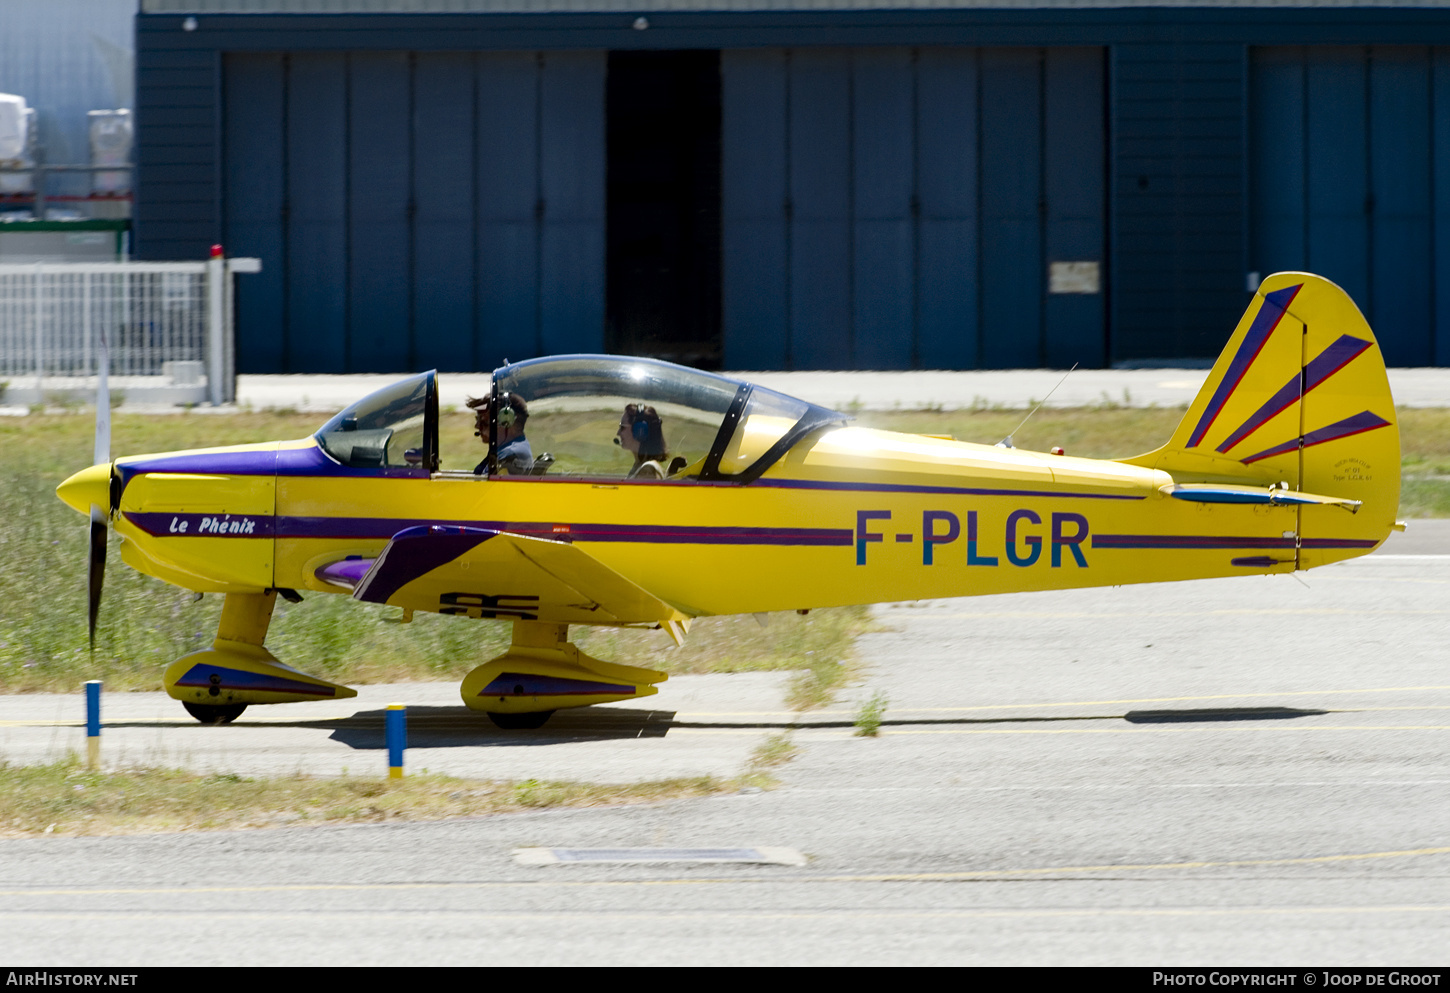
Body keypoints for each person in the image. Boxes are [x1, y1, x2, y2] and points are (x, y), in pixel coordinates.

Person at [467, 392, 533, 475]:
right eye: (477, 420)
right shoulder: (505, 450)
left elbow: (490, 487)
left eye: (484, 421)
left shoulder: (511, 456)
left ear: (506, 422)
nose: (477, 426)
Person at [615, 403, 668, 478]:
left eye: (622, 427)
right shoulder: (639, 466)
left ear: (639, 431)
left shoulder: (647, 472)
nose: (618, 433)